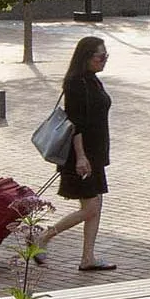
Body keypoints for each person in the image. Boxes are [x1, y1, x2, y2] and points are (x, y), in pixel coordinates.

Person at [36, 34, 115, 271]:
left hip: (95, 153)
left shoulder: (91, 80)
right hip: (81, 155)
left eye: (106, 56)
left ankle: (88, 258)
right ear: (87, 57)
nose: (104, 60)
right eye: (101, 56)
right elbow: (75, 123)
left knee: (95, 205)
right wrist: (81, 157)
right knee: (90, 207)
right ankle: (44, 237)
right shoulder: (76, 84)